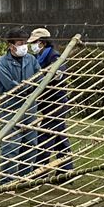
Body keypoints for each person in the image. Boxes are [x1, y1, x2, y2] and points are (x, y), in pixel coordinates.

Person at [0, 29, 36, 183]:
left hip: (30, 108)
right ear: (11, 45)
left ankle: (25, 178)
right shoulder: (2, 62)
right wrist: (28, 87)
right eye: (20, 43)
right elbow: (10, 85)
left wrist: (34, 87)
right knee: (11, 144)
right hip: (10, 107)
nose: (24, 46)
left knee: (30, 143)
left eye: (25, 43)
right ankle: (8, 180)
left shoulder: (31, 59)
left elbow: (40, 77)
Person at [27, 27, 72, 172]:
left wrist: (46, 76)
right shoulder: (37, 57)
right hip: (46, 102)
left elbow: (59, 74)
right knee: (59, 136)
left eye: (34, 42)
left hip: (56, 101)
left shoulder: (54, 56)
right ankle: (66, 170)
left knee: (45, 136)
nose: (31, 46)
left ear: (42, 43)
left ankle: (39, 172)